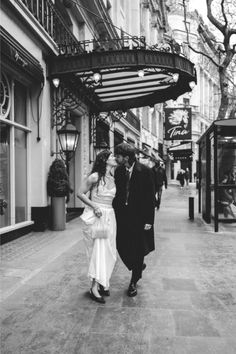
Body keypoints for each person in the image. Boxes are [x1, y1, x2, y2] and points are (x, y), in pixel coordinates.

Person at [113, 143, 156, 297]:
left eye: (118, 156)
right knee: (120, 245)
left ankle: (134, 280)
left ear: (126, 157)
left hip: (139, 217)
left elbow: (150, 198)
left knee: (138, 249)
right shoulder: (118, 171)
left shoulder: (145, 171)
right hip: (123, 216)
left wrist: (149, 221)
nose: (115, 158)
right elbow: (117, 193)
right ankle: (137, 265)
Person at [77, 150, 117, 304]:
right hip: (99, 218)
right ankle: (94, 287)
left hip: (110, 217)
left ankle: (103, 282)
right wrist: (94, 206)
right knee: (99, 249)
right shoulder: (95, 177)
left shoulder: (112, 177)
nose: (114, 158)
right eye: (111, 156)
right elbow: (80, 193)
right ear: (104, 160)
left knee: (109, 250)